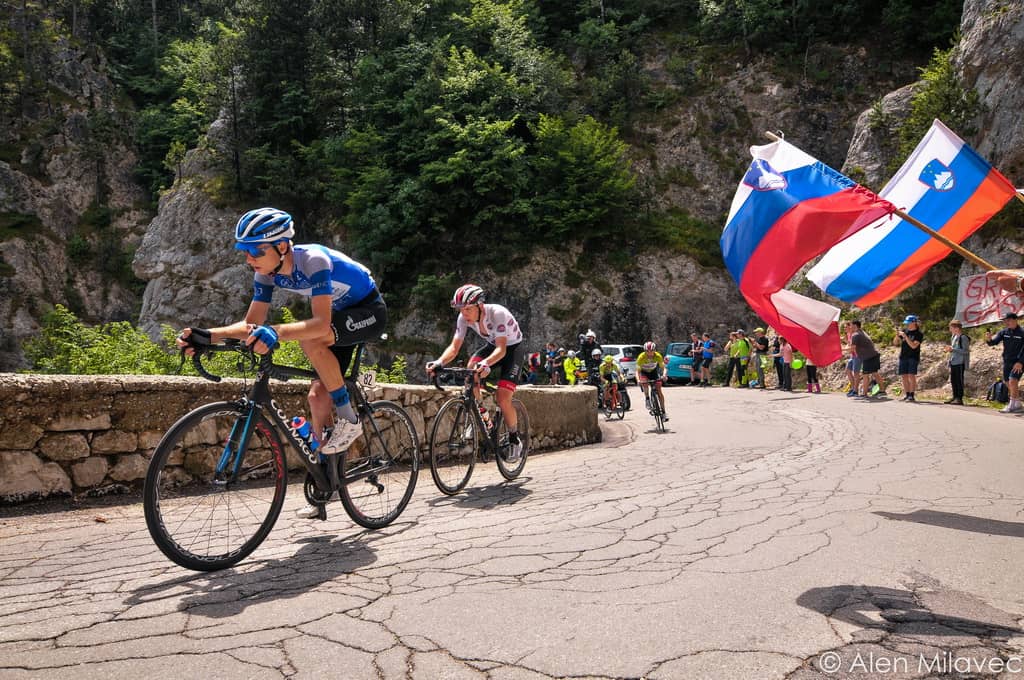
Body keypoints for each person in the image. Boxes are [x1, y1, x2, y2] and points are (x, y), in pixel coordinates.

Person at [176, 207, 388, 519]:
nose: (249, 258)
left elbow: (320, 323)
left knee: (309, 337)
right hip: (338, 323)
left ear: (282, 246)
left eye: (255, 251)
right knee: (316, 397)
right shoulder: (266, 272)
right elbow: (251, 325)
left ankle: (349, 419)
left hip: (367, 311)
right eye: (244, 251)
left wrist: (275, 332)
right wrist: (207, 336)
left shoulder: (314, 261)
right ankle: (325, 481)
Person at [426, 284, 526, 460]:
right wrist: (439, 362)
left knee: (503, 398)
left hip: (512, 349)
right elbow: (455, 347)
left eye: (467, 309)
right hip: (492, 346)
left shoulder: (497, 313)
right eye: (460, 309)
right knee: (470, 372)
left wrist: (486, 364)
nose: (464, 313)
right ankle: (482, 416)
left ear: (480, 305)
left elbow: (502, 350)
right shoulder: (463, 318)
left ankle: (514, 439)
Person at [984, 312, 1024, 413]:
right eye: (1005, 321)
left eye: (1008, 320)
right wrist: (989, 339)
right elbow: (993, 342)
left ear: (1015, 320)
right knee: (1007, 382)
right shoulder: (1004, 332)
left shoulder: (1022, 332)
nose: (1006, 323)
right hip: (1007, 361)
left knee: (1012, 380)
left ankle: (1011, 405)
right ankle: (1018, 403)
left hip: (1018, 362)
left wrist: (1020, 362)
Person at [848, 320, 886, 398]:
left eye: (850, 325)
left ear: (855, 326)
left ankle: (864, 394)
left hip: (869, 357)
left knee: (865, 375)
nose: (849, 327)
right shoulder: (862, 332)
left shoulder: (856, 335)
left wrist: (838, 350)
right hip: (873, 355)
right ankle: (882, 391)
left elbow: (852, 349)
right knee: (875, 373)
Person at [893, 314, 924, 402]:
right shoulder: (904, 331)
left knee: (911, 375)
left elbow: (913, 346)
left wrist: (905, 337)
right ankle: (907, 394)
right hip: (903, 356)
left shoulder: (919, 334)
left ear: (914, 323)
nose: (907, 325)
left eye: (908, 323)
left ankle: (912, 395)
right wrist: (897, 335)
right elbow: (895, 343)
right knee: (904, 376)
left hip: (913, 357)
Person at [635, 341, 669, 420]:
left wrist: (664, 375)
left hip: (653, 372)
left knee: (659, 391)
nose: (650, 353)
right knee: (644, 383)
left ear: (654, 350)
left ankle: (664, 412)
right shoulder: (641, 357)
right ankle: (647, 398)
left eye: (651, 351)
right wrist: (638, 380)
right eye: (647, 351)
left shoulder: (658, 356)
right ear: (645, 351)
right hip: (644, 373)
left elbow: (664, 368)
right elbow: (637, 371)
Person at [945, 319, 970, 405]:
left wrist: (953, 349)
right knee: (953, 380)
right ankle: (954, 396)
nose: (950, 329)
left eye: (951, 328)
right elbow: (953, 350)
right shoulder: (953, 337)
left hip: (960, 362)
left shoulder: (963, 338)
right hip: (953, 362)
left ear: (957, 328)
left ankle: (959, 398)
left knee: (959, 381)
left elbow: (966, 351)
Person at [842, 321, 862, 397]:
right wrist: (845, 340)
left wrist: (840, 350)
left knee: (856, 373)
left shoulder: (854, 335)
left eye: (846, 327)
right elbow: (850, 345)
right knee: (848, 370)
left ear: (850, 327)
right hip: (853, 356)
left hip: (857, 355)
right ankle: (853, 388)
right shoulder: (849, 334)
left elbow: (852, 348)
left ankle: (855, 391)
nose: (844, 328)